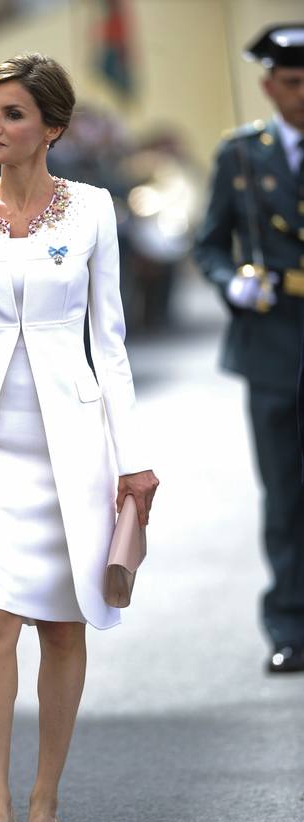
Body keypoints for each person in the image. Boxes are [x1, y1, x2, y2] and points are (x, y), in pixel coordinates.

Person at [0, 53, 158, 822]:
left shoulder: (91, 210)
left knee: (61, 624)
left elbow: (112, 343)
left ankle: (43, 804)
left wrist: (133, 463)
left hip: (73, 446)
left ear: (50, 127)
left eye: (12, 113)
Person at [195, 25, 304, 674]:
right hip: (273, 338)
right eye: (292, 83)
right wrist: (230, 281)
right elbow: (209, 242)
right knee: (285, 491)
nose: (303, 94)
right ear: (268, 86)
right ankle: (288, 625)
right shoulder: (240, 155)